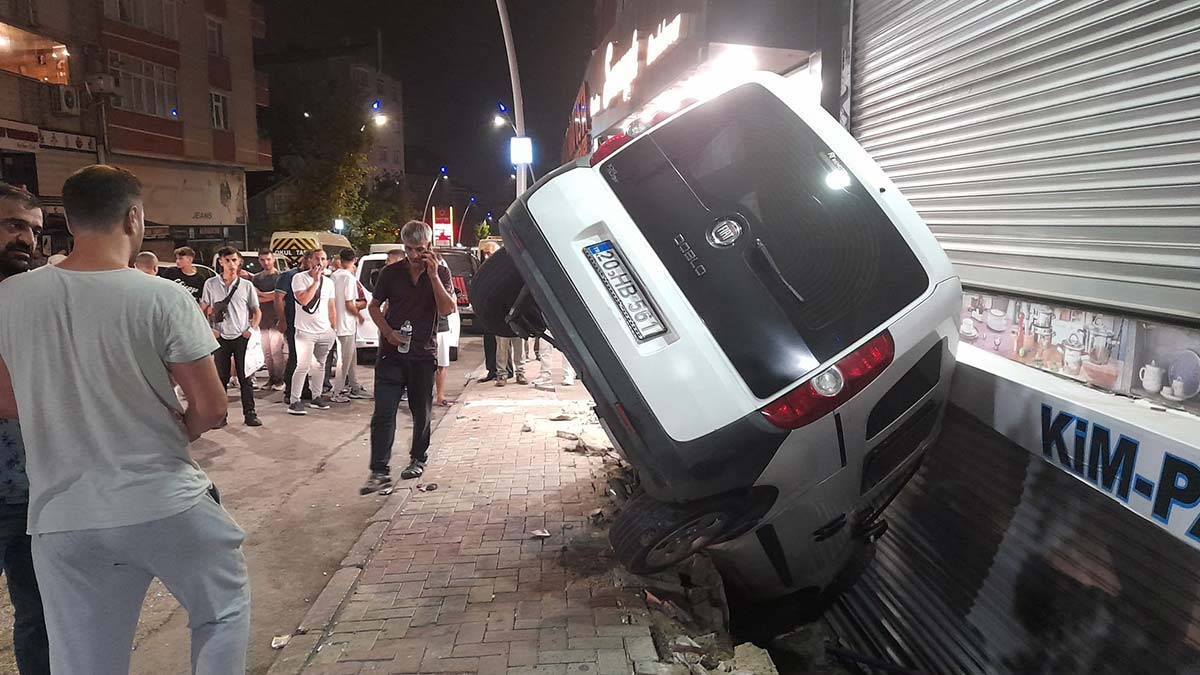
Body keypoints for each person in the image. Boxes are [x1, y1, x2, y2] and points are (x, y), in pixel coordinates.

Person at [0, 165, 249, 673]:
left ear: (69, 223)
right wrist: (180, 427)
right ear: (134, 217)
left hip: (62, 518)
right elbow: (213, 406)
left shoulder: (10, 298)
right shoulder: (161, 296)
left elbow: (8, 403)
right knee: (221, 612)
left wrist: (66, 410)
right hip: (161, 502)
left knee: (84, 660)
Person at [362, 221, 455, 494]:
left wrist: (434, 275)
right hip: (391, 354)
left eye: (419, 249)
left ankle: (418, 457)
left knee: (421, 411)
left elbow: (448, 309)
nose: (413, 255)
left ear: (429, 247)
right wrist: (388, 332)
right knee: (384, 412)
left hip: (422, 354)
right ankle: (379, 470)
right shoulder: (391, 273)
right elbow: (374, 306)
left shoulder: (440, 272)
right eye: (409, 249)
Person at [0, 183, 50, 674]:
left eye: (33, 230)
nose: (27, 240)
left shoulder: (29, 300)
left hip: (32, 493)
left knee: (40, 618)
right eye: (14, 225)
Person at [201, 247, 263, 427]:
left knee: (246, 378)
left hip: (241, 336)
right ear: (220, 262)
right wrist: (209, 329)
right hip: (220, 337)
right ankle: (221, 416)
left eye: (234, 260)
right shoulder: (211, 284)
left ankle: (250, 413)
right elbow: (202, 308)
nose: (231, 264)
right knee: (221, 378)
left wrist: (251, 329)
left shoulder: (246, 285)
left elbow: (256, 311)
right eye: (227, 260)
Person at [288, 248, 337, 415]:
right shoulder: (299, 278)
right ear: (309, 260)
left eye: (323, 259)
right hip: (305, 331)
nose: (320, 262)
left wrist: (333, 327)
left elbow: (331, 306)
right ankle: (295, 400)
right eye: (317, 258)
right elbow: (303, 300)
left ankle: (317, 396)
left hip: (325, 330)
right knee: (302, 366)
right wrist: (315, 282)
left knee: (320, 365)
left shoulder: (329, 282)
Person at [331, 249, 370, 403]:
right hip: (346, 324)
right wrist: (359, 316)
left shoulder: (334, 276)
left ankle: (354, 387)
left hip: (336, 323)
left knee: (351, 358)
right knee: (344, 361)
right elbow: (349, 303)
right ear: (355, 260)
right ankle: (338, 391)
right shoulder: (349, 278)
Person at [275, 255, 313, 404]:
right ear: (305, 259)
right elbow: (278, 298)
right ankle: (290, 390)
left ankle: (304, 388)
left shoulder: (315, 278)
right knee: (295, 357)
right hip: (293, 322)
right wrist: (282, 319)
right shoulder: (289, 276)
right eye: (313, 259)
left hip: (310, 324)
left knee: (306, 359)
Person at [252, 249, 285, 391]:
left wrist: (263, 295)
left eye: (268, 259)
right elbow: (254, 297)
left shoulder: (281, 277)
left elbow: (278, 297)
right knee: (266, 352)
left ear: (273, 260)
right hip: (262, 319)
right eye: (262, 260)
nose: (266, 262)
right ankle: (271, 379)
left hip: (277, 318)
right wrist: (270, 295)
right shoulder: (257, 278)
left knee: (276, 351)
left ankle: (279, 380)